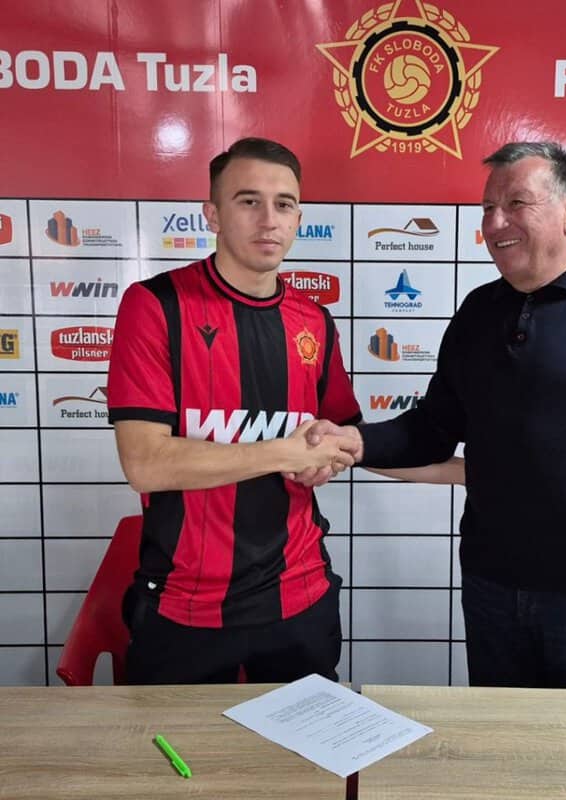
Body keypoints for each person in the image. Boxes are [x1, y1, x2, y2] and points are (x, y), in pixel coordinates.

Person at [301, 141, 566, 690]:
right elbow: (431, 430)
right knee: (498, 739)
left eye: (517, 203)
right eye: (488, 208)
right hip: (491, 587)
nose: (496, 223)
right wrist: (353, 441)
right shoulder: (478, 311)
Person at [107, 137, 461, 685]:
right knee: (181, 745)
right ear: (212, 214)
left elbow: (350, 442)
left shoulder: (312, 321)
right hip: (185, 607)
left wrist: (470, 472)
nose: (268, 220)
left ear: (298, 218)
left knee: (308, 743)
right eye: (248, 201)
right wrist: (283, 453)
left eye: (284, 204)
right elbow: (145, 464)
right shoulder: (155, 305)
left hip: (300, 598)